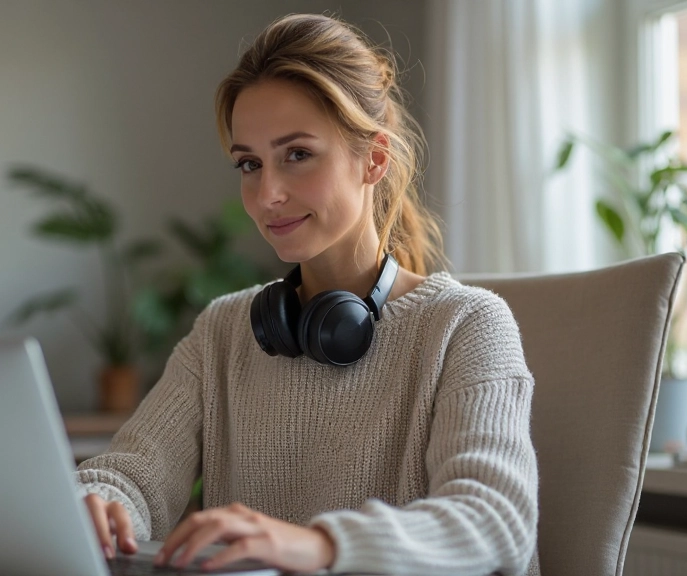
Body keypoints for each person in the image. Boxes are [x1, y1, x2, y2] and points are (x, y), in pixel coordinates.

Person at [76, 13, 539, 576]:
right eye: (250, 163)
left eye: (297, 154)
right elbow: (129, 475)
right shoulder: (225, 330)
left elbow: (496, 521)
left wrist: (317, 546)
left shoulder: (467, 326)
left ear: (373, 159)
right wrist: (99, 503)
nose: (267, 194)